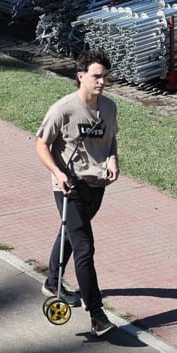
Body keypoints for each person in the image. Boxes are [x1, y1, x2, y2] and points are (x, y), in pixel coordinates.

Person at [34, 52, 120, 336]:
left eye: (105, 76)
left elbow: (111, 140)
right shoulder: (63, 109)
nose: (102, 81)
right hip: (69, 186)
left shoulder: (109, 108)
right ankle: (97, 316)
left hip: (97, 186)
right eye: (97, 76)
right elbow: (41, 145)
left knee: (72, 233)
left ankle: (53, 280)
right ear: (81, 76)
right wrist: (58, 174)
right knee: (85, 247)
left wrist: (112, 160)